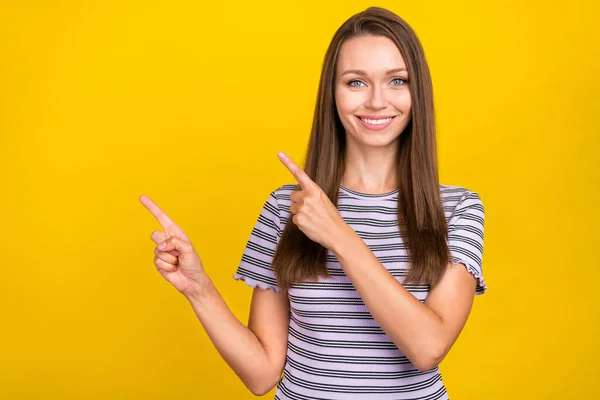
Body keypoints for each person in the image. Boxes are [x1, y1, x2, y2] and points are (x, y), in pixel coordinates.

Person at [140, 6, 486, 400]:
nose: (376, 101)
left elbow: (427, 348)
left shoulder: (457, 208)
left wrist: (339, 236)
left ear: (416, 91)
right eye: (356, 82)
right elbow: (261, 374)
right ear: (332, 94)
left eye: (397, 80)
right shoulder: (287, 208)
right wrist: (198, 288)